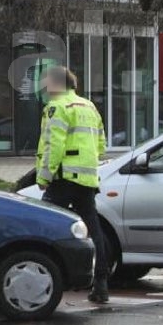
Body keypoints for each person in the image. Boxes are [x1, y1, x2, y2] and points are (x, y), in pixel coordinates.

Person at [35, 66, 110, 303]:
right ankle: (101, 284)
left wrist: (44, 177)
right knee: (94, 231)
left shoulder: (57, 107)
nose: (44, 88)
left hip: (64, 177)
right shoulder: (88, 106)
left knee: (41, 226)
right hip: (87, 179)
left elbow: (53, 146)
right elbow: (101, 145)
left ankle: (44, 280)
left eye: (47, 83)